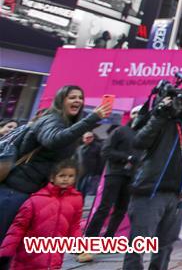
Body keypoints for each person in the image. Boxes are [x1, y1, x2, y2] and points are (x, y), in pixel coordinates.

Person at [0, 85, 110, 238]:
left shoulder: (67, 125)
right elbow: (53, 140)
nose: (77, 100)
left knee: (12, 246)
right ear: (60, 100)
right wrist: (92, 118)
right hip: (15, 191)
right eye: (72, 97)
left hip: (32, 192)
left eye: (80, 98)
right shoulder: (51, 119)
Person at [124, 91, 182, 270]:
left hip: (178, 193)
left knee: (165, 246)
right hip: (151, 190)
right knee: (138, 244)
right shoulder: (159, 119)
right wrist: (160, 113)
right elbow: (140, 141)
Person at [77, 107, 141, 263]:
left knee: (121, 209)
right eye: (134, 113)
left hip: (131, 176)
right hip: (115, 173)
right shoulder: (120, 131)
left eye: (140, 114)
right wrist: (127, 157)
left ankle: (108, 241)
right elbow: (106, 151)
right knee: (104, 207)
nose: (137, 116)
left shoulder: (144, 135)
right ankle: (88, 243)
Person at [0, 159, 83, 270]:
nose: (66, 179)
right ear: (52, 177)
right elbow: (18, 227)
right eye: (62, 175)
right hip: (28, 256)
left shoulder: (76, 199)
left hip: (54, 255)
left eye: (70, 176)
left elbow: (74, 226)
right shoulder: (36, 200)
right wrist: (6, 249)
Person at [76, 130, 103, 196]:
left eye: (90, 137)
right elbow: (76, 159)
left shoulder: (98, 147)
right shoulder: (80, 148)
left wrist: (98, 171)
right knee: (78, 187)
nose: (88, 139)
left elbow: (101, 160)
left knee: (86, 188)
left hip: (92, 172)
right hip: (81, 171)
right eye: (87, 137)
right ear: (83, 138)